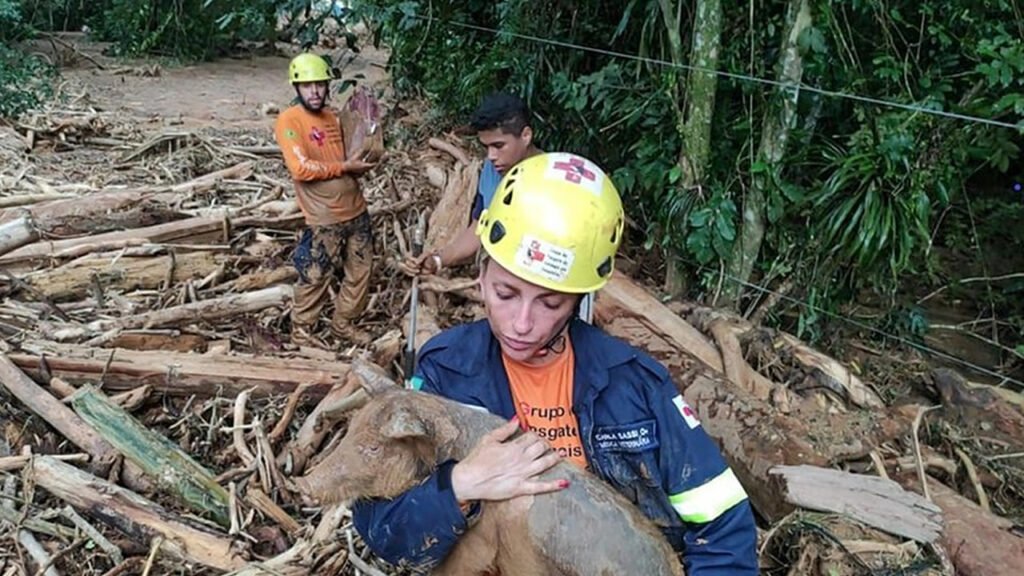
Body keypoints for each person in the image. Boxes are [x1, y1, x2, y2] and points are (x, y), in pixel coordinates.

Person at [353, 152, 759, 574]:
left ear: (578, 302)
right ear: (481, 275)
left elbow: (724, 526)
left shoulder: (634, 385)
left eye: (549, 302)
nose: (522, 324)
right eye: (506, 294)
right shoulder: (445, 374)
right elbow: (383, 530)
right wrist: (460, 484)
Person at [402, 92, 598, 322]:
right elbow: (480, 228)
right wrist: (437, 260)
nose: (491, 156)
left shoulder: (559, 181)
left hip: (550, 299)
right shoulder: (491, 173)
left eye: (498, 146)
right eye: (486, 147)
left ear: (526, 135)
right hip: (506, 293)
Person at [274, 53, 377, 347]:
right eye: (307, 86)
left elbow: (351, 156)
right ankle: (302, 332)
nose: (315, 91)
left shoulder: (334, 117)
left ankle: (343, 325)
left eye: (319, 84)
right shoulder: (289, 121)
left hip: (356, 209)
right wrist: (345, 167)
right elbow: (300, 168)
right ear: (296, 88)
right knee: (315, 275)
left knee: (360, 273)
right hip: (323, 218)